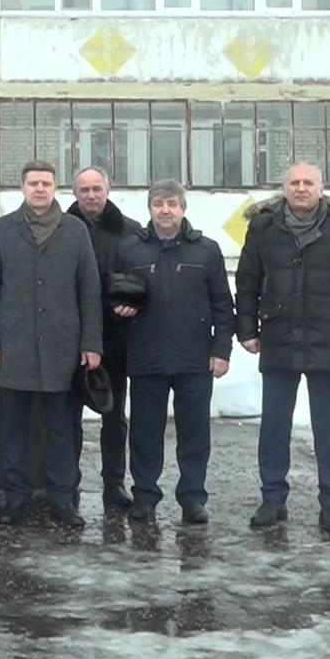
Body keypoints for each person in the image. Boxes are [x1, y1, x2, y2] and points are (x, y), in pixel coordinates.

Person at [235, 161, 330, 535]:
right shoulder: (263, 228)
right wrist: (246, 328)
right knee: (274, 426)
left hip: (328, 339)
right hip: (278, 337)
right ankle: (273, 499)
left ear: (321, 187)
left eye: (308, 182)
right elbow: (247, 282)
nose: (301, 188)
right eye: (294, 182)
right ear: (285, 189)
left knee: (328, 427)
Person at [0, 161, 103, 529]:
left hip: (63, 351)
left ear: (55, 188)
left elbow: (89, 292)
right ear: (22, 187)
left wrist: (91, 344)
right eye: (33, 183)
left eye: (46, 183)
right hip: (13, 350)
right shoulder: (2, 231)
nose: (40, 189)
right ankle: (15, 500)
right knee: (14, 431)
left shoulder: (75, 231)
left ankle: (62, 501)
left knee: (62, 431)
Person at [112, 181, 232, 526]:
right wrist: (117, 308)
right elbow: (113, 295)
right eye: (158, 204)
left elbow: (223, 304)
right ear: (149, 208)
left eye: (172, 204)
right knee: (145, 434)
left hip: (194, 358)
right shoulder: (131, 250)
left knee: (194, 434)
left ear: (183, 208)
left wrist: (221, 349)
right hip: (146, 357)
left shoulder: (206, 251)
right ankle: (145, 496)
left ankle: (193, 498)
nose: (166, 210)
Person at [64, 165, 140, 514]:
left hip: (115, 339)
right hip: (67, 338)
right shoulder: (61, 230)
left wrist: (133, 303)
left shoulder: (130, 233)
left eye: (97, 189)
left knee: (114, 416)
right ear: (74, 193)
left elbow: (141, 280)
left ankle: (115, 484)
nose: (91, 196)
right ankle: (69, 485)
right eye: (84, 190)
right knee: (68, 418)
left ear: (108, 190)